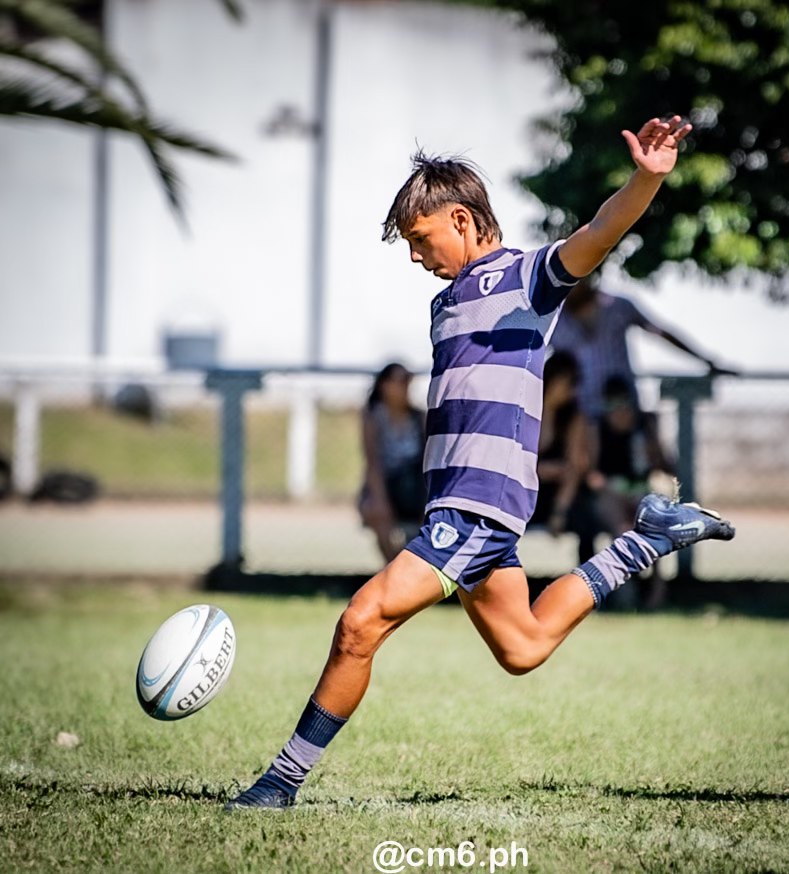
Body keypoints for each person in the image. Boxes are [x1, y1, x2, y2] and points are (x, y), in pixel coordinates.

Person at [227, 115, 735, 810]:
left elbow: (600, 233)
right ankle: (648, 536)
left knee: (359, 622)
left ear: (462, 220)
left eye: (419, 241)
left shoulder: (529, 278)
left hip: (479, 506)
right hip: (459, 508)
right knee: (522, 647)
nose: (415, 257)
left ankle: (279, 783)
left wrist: (646, 178)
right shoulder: (445, 304)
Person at [552, 277, 738, 421]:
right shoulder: (551, 319)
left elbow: (660, 332)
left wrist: (704, 360)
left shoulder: (618, 306)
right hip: (579, 418)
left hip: (623, 413)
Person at [589, 375, 677, 609]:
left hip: (640, 489)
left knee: (653, 528)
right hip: (610, 491)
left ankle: (657, 592)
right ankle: (625, 594)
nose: (618, 411)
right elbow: (592, 473)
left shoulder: (643, 426)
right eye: (612, 405)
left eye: (622, 404)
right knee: (623, 529)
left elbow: (664, 465)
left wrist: (652, 446)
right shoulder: (597, 427)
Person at [529, 350, 604, 564]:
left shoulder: (574, 417)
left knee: (586, 517)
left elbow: (574, 466)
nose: (572, 390)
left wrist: (559, 512)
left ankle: (589, 586)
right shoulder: (524, 410)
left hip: (559, 494)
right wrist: (539, 469)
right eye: (569, 382)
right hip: (524, 489)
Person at [358, 362, 427, 563]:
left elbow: (426, 463)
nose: (403, 386)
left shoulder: (419, 417)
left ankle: (412, 568)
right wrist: (380, 498)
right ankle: (394, 567)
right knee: (376, 513)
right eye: (398, 381)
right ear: (383, 385)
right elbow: (372, 461)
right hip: (387, 485)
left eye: (407, 381)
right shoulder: (373, 417)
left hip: (415, 488)